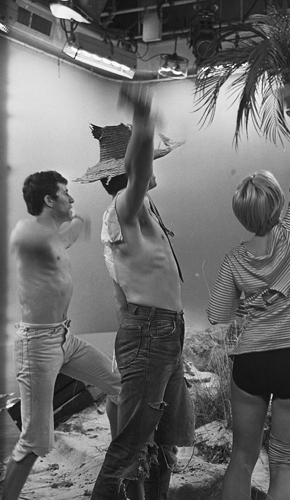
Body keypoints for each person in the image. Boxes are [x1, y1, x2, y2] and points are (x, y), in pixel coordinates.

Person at [206, 84, 290, 500]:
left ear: (242, 215)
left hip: (251, 363)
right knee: (284, 462)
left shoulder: (233, 260)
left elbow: (218, 315)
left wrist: (248, 302)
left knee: (241, 457)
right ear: (278, 204)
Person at [78, 84, 194, 500]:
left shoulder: (139, 211)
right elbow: (139, 172)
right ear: (125, 174)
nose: (152, 167)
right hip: (152, 334)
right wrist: (144, 121)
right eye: (146, 158)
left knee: (163, 444)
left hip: (162, 332)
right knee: (129, 448)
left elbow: (120, 296)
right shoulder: (123, 208)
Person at [2, 171, 120, 500]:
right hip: (37, 346)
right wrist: (69, 220)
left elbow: (64, 240)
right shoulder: (26, 230)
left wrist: (77, 219)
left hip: (66, 339)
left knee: (119, 386)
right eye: (65, 193)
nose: (71, 198)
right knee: (35, 441)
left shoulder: (52, 237)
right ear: (48, 200)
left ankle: (118, 464)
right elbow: (26, 242)